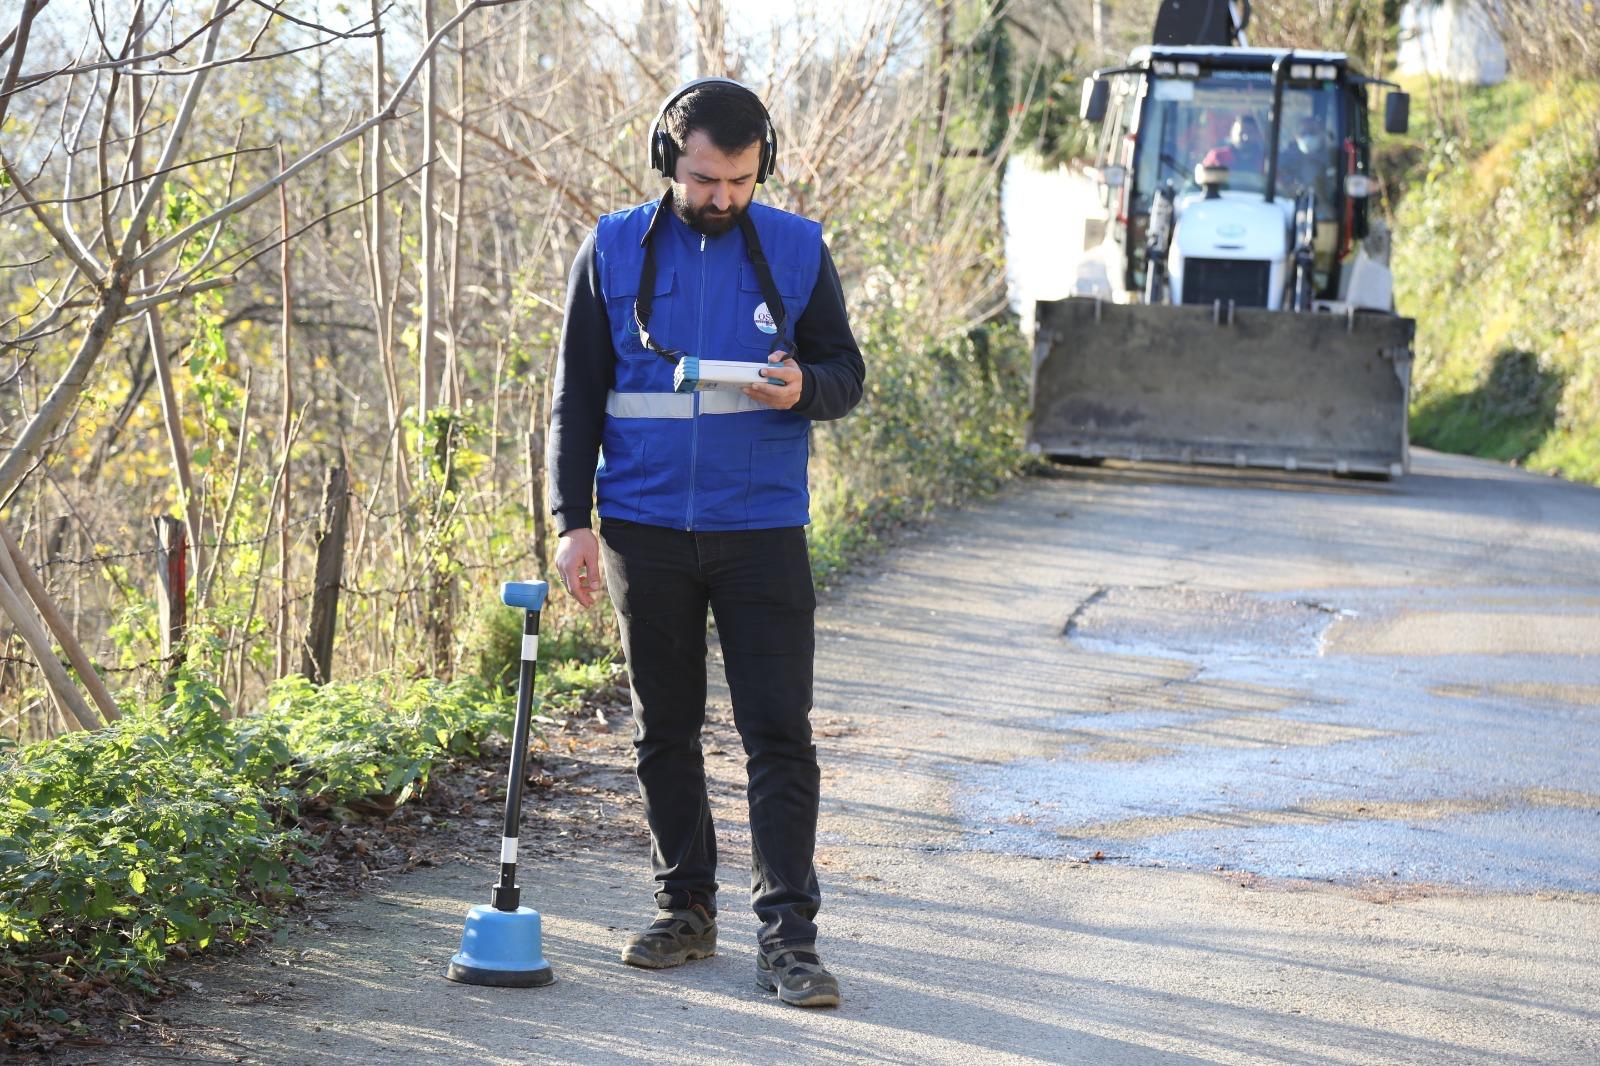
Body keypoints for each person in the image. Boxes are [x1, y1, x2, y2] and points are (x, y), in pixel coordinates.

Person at [546, 78, 865, 1009]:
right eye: (702, 179)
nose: (721, 197)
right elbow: (574, 400)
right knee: (664, 730)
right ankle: (685, 907)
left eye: (739, 180)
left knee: (778, 735)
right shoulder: (610, 250)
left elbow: (847, 374)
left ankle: (789, 941)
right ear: (665, 162)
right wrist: (572, 522)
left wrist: (804, 385)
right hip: (642, 532)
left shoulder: (800, 249)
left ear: (762, 168)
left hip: (762, 528)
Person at [1202, 113, 1266, 174]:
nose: (1245, 137)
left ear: (1257, 135)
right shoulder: (1217, 157)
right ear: (1231, 134)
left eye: (1250, 133)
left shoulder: (1266, 160)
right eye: (1241, 133)